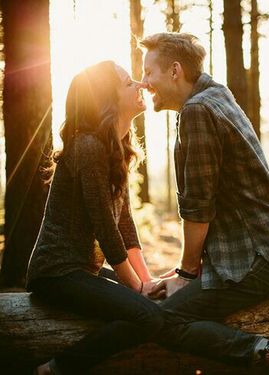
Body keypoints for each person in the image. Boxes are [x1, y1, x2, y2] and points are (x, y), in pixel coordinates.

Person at [140, 32, 269, 375]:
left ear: (174, 71)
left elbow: (198, 207)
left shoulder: (198, 110)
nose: (144, 82)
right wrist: (187, 271)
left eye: (149, 72)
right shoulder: (214, 94)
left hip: (265, 256)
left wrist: (185, 273)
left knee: (163, 318)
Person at [27, 61, 164, 375]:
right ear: (109, 99)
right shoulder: (87, 147)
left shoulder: (117, 148)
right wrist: (135, 285)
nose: (141, 85)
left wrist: (145, 281)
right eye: (130, 83)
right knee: (150, 317)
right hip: (56, 273)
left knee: (152, 305)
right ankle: (54, 369)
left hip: (81, 270)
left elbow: (125, 224)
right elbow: (104, 223)